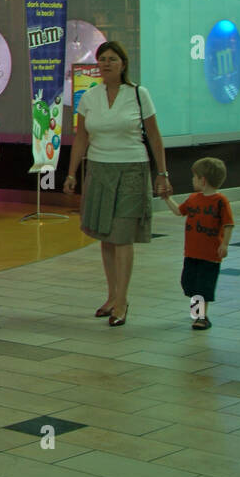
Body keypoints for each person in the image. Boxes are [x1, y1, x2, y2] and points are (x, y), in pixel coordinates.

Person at [63, 41, 171, 327]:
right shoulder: (89, 96)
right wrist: (72, 173)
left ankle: (122, 300)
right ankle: (111, 296)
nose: (106, 64)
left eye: (112, 59)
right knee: (106, 236)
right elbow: (82, 138)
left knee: (122, 235)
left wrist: (163, 173)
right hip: (99, 170)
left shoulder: (138, 94)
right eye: (102, 59)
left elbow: (155, 136)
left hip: (132, 169)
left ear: (123, 64)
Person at [163, 158, 234, 330]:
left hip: (210, 256)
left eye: (194, 177)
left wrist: (224, 244)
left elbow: (228, 224)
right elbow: (179, 211)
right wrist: (167, 199)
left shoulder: (220, 201)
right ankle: (197, 313)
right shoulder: (193, 199)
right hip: (191, 253)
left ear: (202, 180)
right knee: (189, 283)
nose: (192, 180)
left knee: (203, 286)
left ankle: (201, 317)